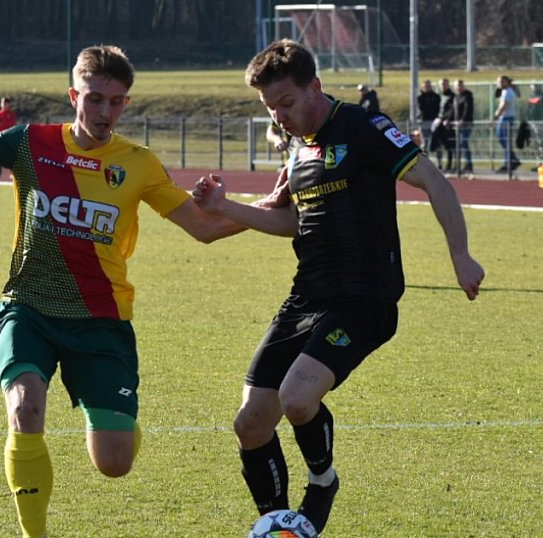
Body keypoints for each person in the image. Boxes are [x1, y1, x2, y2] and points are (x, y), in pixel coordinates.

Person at [0, 45, 234, 538]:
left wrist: (276, 208)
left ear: (126, 104)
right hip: (29, 308)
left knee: (114, 462)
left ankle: (108, 413)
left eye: (116, 101)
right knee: (25, 408)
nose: (105, 111)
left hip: (101, 319)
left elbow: (204, 227)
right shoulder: (31, 142)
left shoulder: (139, 164)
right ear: (73, 96)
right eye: (95, 99)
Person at [192, 39, 485, 535]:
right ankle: (279, 524)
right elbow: (291, 222)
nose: (279, 117)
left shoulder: (364, 126)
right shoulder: (297, 149)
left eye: (286, 103)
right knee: (250, 423)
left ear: (315, 87)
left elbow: (435, 181)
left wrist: (461, 256)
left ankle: (322, 481)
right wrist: (223, 207)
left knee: (296, 399)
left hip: (364, 299)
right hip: (306, 297)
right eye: (270, 108)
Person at [494, 75, 521, 173]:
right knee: (504, 141)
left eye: (502, 82)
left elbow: (503, 105)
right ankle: (511, 160)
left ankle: (510, 162)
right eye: (498, 82)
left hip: (506, 118)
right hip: (506, 118)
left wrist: (496, 116)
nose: (499, 84)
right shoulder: (506, 91)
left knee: (504, 141)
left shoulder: (507, 92)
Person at [431, 78, 456, 171]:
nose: (443, 86)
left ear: (448, 85)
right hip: (439, 124)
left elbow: (452, 110)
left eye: (444, 84)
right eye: (441, 84)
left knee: (449, 146)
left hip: (447, 125)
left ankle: (450, 165)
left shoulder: (452, 96)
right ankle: (439, 164)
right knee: (438, 144)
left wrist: (446, 119)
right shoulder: (439, 96)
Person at [0, 97, 17, 179]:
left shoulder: (11, 114)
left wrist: (4, 125)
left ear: (9, 104)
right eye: (3, 103)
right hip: (0, 137)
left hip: (9, 137)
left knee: (10, 155)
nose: (4, 105)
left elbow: (13, 124)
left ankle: (12, 172)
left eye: (6, 103)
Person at [453, 79, 474, 173]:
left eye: (460, 85)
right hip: (457, 125)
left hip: (466, 124)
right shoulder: (456, 97)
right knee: (459, 144)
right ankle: (458, 166)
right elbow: (453, 110)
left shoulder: (468, 96)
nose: (459, 87)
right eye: (457, 85)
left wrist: (463, 120)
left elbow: (467, 108)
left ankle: (469, 164)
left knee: (463, 142)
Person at [417, 80, 440, 154]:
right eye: (425, 86)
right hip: (424, 120)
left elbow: (437, 108)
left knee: (435, 140)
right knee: (425, 140)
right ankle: (425, 158)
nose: (427, 87)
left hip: (434, 121)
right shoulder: (420, 97)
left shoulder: (436, 96)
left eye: (429, 86)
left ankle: (438, 159)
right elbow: (421, 108)